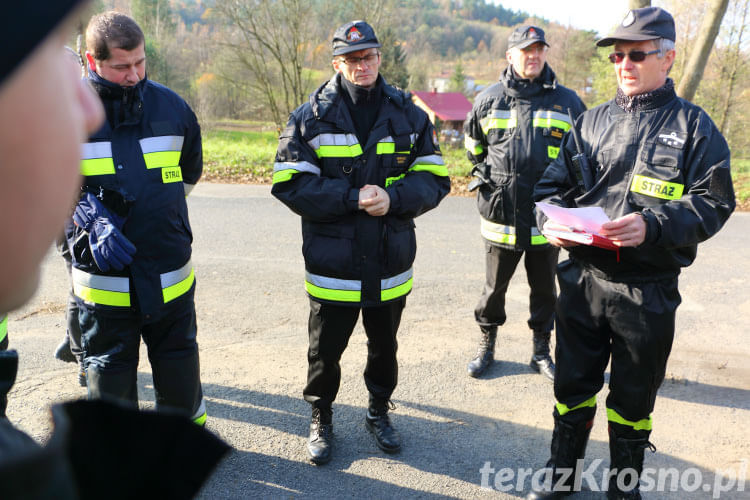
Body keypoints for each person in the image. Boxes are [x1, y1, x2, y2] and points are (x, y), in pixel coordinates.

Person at [526, 7, 735, 499]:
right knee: (572, 385)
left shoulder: (694, 127)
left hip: (648, 291)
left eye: (636, 54)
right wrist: (550, 221)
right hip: (582, 280)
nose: (624, 63)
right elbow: (551, 189)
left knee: (633, 397)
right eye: (617, 55)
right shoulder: (592, 121)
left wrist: (654, 224)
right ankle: (561, 476)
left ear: (667, 58)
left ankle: (624, 486)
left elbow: (714, 201)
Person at [272, 20, 450, 465]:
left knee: (384, 346)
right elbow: (289, 184)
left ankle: (378, 410)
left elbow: (435, 178)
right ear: (337, 63)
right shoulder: (310, 116)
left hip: (389, 260)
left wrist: (394, 197)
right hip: (334, 263)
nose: (362, 65)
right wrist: (352, 198)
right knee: (325, 351)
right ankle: (321, 416)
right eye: (352, 59)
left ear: (379, 58)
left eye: (368, 56)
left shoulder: (408, 113)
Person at [65, 11, 206, 424]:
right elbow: (42, 188)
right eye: (121, 66)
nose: (134, 75)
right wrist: (86, 217)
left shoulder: (172, 107)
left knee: (180, 370)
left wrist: (162, 217)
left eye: (140, 63)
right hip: (104, 282)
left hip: (169, 272)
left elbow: (189, 172)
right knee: (110, 383)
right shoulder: (64, 115)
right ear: (92, 61)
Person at [463, 26, 585, 380]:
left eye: (538, 50)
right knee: (493, 290)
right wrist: (491, 178)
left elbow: (581, 156)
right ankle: (487, 347)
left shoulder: (568, 102)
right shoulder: (488, 99)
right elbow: (473, 147)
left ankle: (541, 351)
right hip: (501, 216)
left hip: (546, 221)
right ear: (510, 56)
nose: (533, 56)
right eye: (525, 50)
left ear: (545, 54)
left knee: (546, 291)